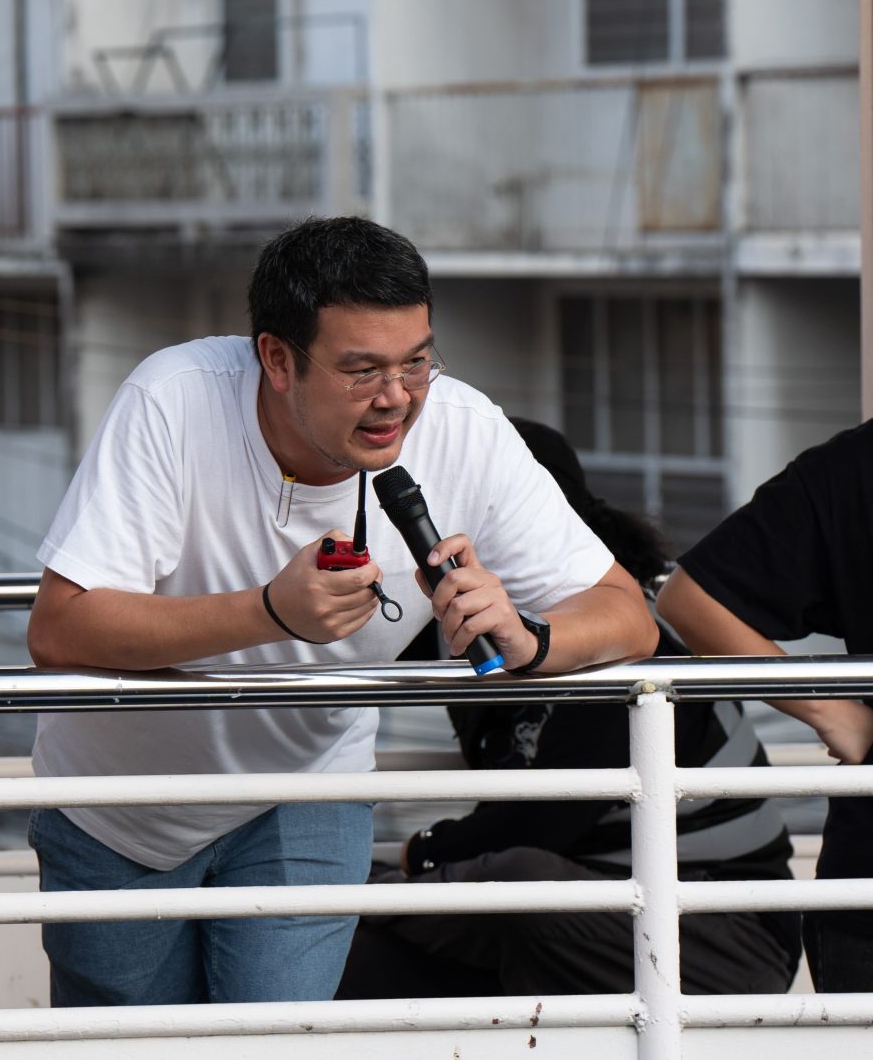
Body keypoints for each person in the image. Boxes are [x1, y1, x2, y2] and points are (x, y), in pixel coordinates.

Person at [24, 217, 655, 1007]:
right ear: (277, 359)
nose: (397, 399)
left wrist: (529, 639)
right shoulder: (173, 400)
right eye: (361, 371)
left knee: (281, 1042)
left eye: (417, 362)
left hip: (308, 789)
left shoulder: (465, 429)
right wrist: (269, 612)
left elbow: (628, 615)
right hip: (122, 808)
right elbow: (62, 628)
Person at [336, 418, 800, 999]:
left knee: (516, 880)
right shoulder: (465, 629)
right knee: (357, 956)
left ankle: (354, 897)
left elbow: (543, 819)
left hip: (721, 930)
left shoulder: (623, 639)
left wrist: (413, 857)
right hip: (586, 915)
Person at [656, 421, 873, 992]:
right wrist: (832, 711)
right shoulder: (855, 468)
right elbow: (692, 598)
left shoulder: (854, 465)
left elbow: (691, 598)